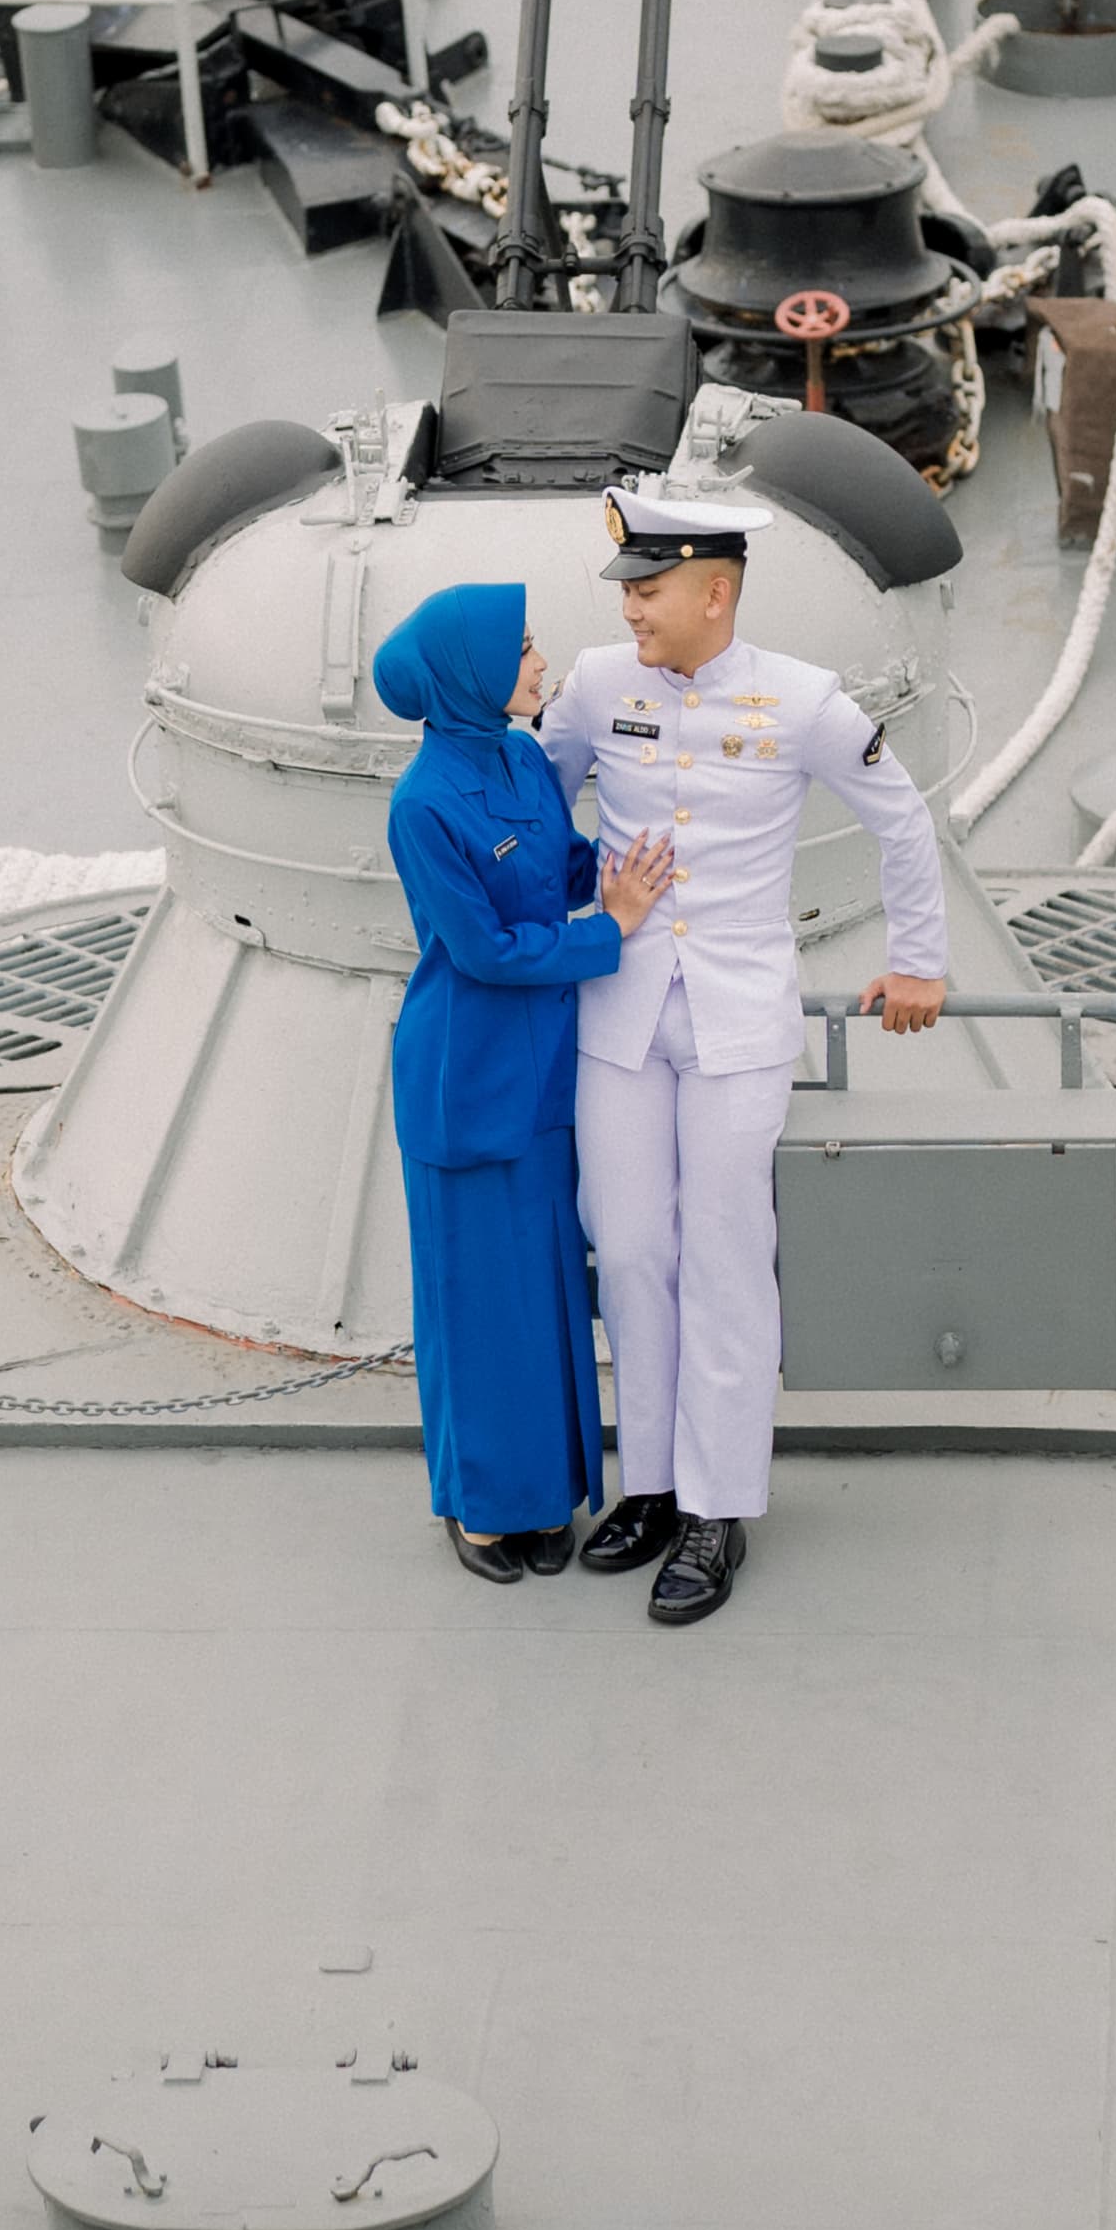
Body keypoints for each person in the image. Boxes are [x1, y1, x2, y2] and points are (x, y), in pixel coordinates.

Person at [536, 481, 951, 1627]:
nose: (632, 613)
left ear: (716, 594)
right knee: (627, 1250)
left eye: (652, 590)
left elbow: (901, 818)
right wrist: (575, 912)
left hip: (733, 1022)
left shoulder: (805, 702)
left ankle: (717, 1508)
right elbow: (535, 805)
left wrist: (919, 960)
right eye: (628, 591)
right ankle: (653, 1486)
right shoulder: (591, 687)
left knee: (722, 1255)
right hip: (619, 1015)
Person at [373, 580, 673, 1586]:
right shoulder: (421, 807)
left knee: (545, 1298)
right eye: (526, 651)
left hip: (547, 1075)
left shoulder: (520, 759)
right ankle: (481, 1509)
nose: (541, 665)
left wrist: (620, 877)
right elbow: (485, 951)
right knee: (475, 1304)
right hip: (469, 1082)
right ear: (473, 675)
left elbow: (564, 861)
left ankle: (545, 1498)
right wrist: (610, 928)